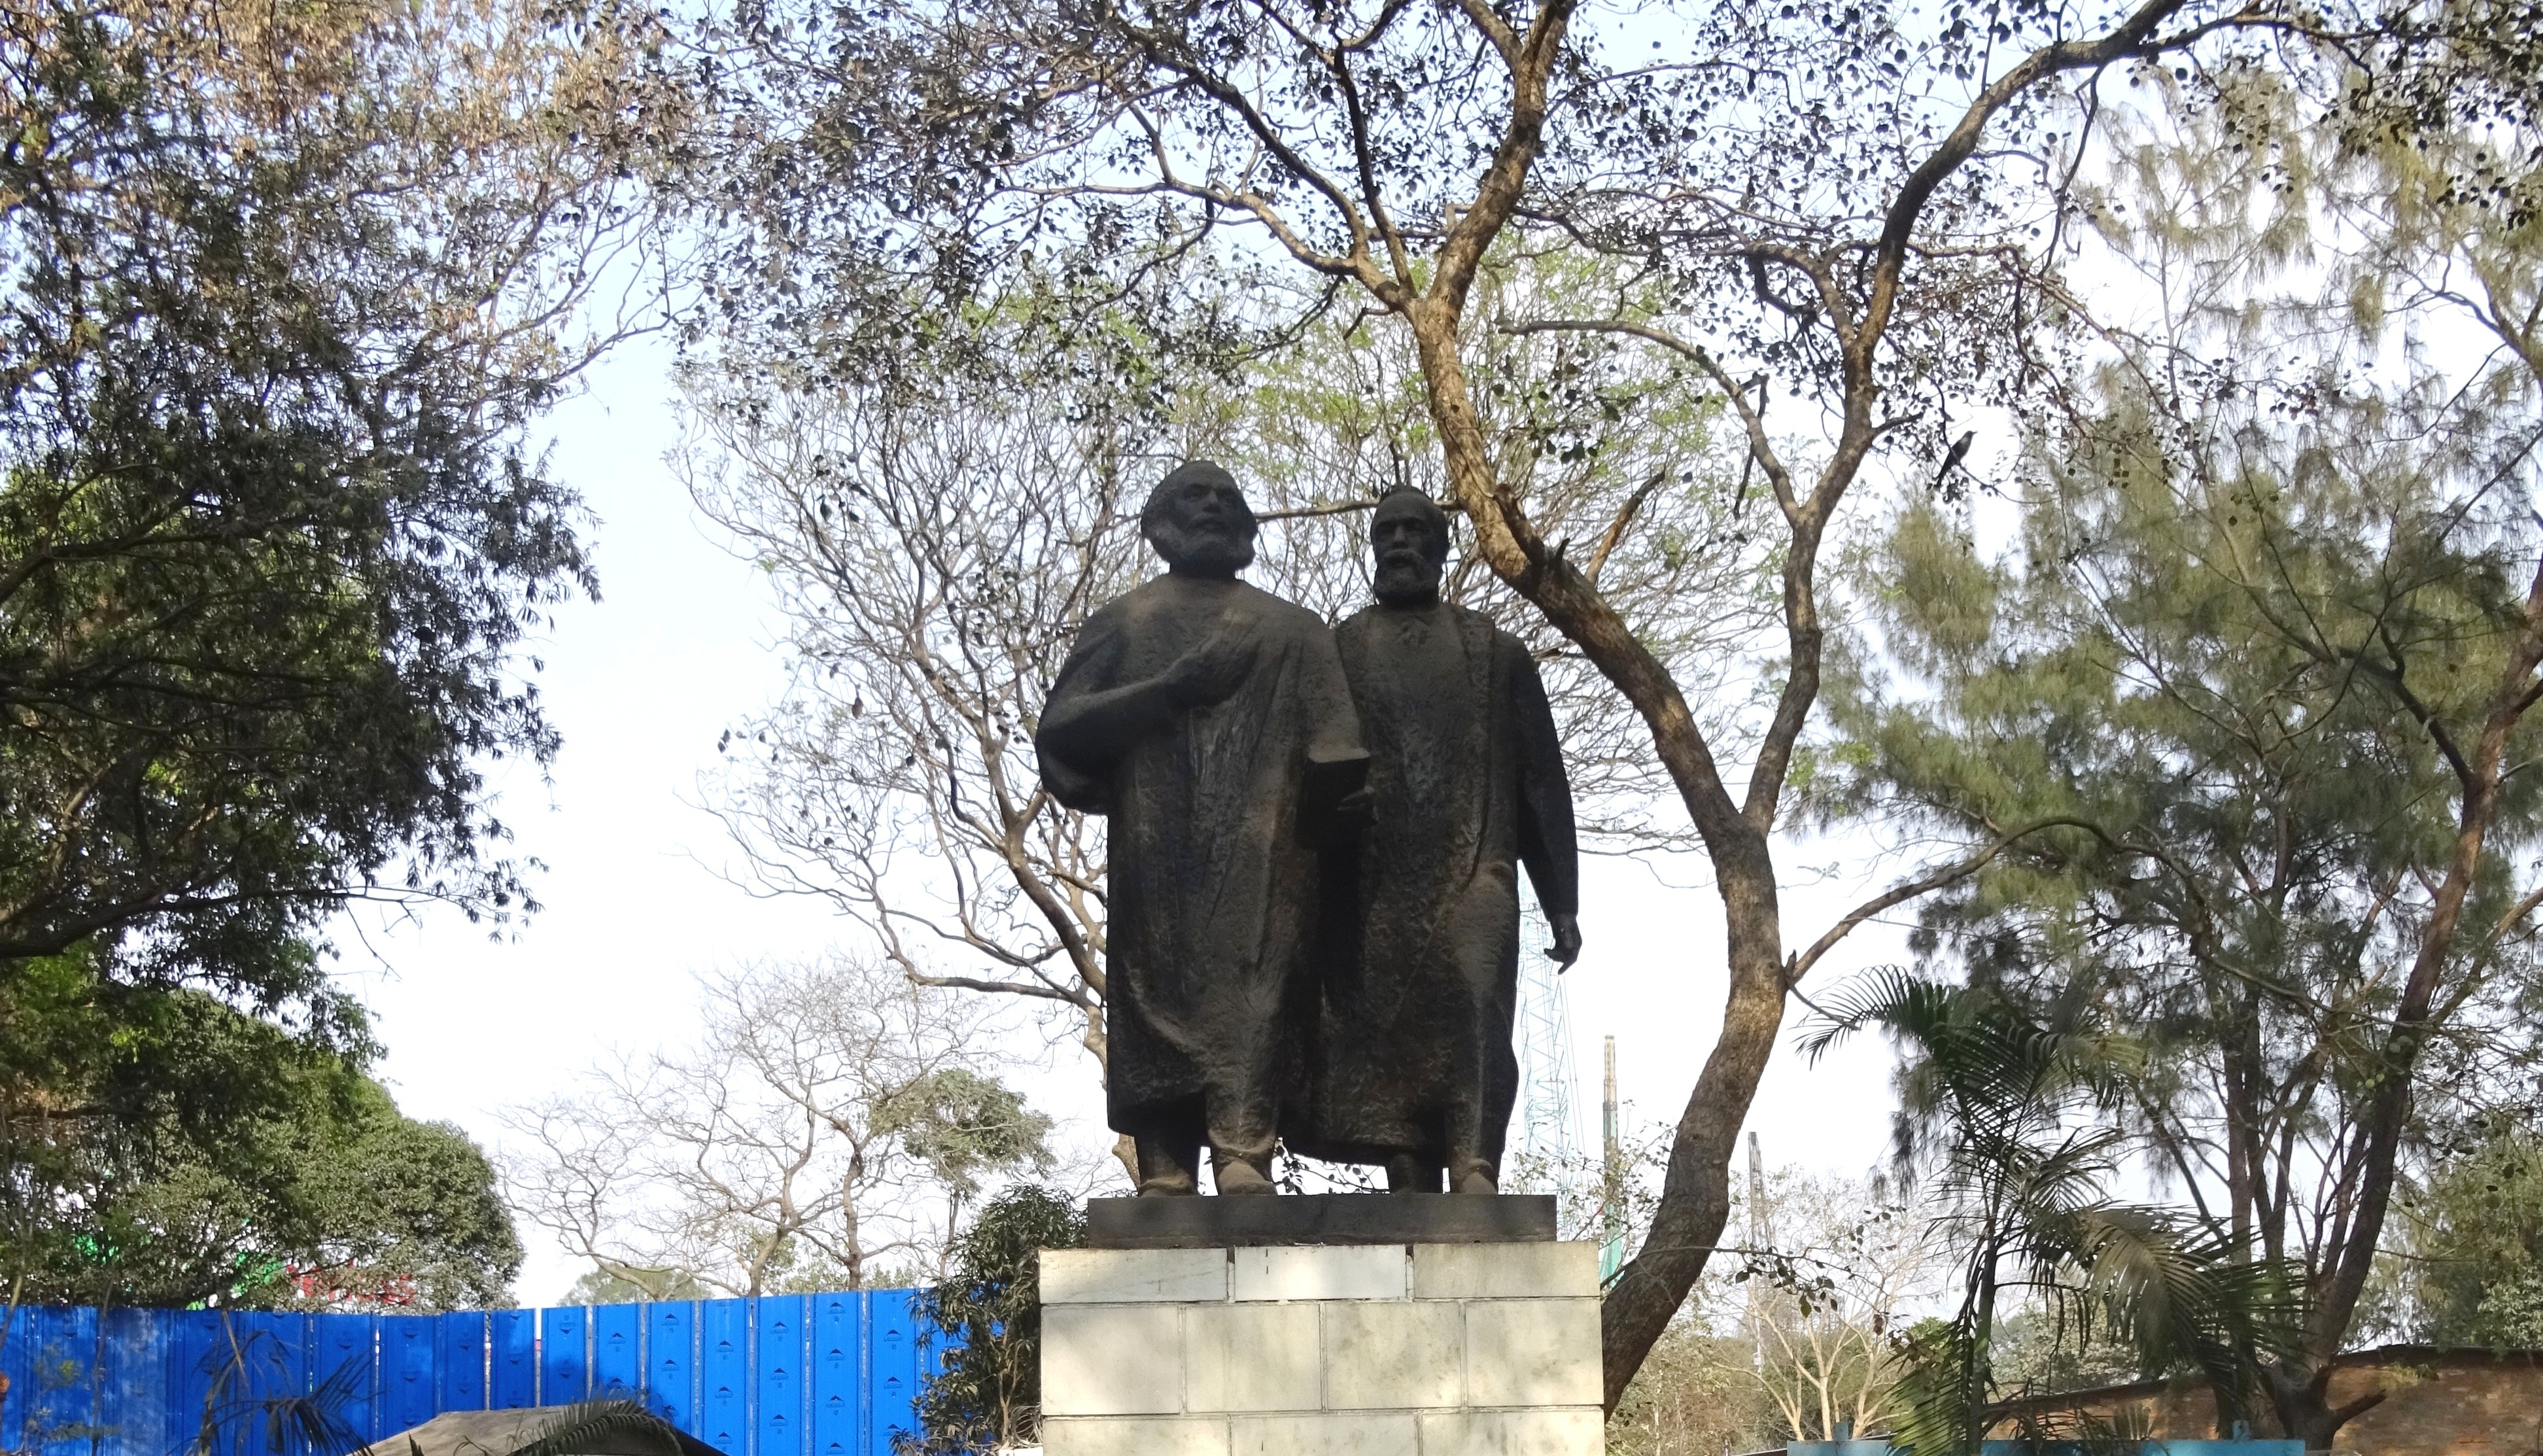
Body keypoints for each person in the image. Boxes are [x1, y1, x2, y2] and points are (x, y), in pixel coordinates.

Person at [1036, 460, 1368, 1196]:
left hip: (1267, 862)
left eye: (1228, 498)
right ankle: (1164, 1164)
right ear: (1159, 523)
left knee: (1256, 987)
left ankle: (1244, 1150)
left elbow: (1339, 748)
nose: (1213, 507)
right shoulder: (1124, 623)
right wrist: (1166, 691)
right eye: (1195, 495)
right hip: (1156, 856)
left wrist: (1338, 802)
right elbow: (1062, 729)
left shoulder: (1293, 631)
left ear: (1247, 526)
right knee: (1153, 987)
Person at [1298, 486, 1582, 1194]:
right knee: (1383, 1026)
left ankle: (1475, 1161)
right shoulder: (1339, 651)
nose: (1400, 542)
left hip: (1476, 866)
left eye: (1414, 530)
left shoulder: (1496, 653)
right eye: (1387, 531)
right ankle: (1409, 1174)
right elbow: (1302, 767)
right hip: (1372, 880)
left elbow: (1542, 783)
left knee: (1477, 1002)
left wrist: (1561, 901)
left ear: (1442, 547)